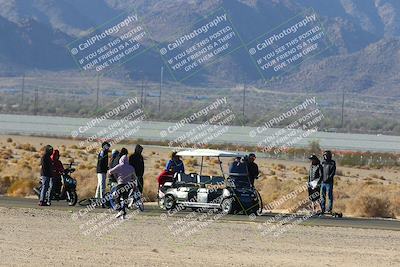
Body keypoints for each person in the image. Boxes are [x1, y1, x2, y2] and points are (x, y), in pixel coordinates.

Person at [108, 149, 137, 219]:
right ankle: (123, 215)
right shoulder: (131, 167)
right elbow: (134, 177)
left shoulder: (119, 166)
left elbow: (110, 171)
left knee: (116, 198)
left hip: (120, 184)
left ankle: (119, 210)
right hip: (127, 185)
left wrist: (114, 173)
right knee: (125, 200)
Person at [96, 142, 110, 207]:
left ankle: (96, 200)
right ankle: (102, 202)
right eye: (107, 146)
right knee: (102, 186)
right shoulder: (102, 152)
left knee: (99, 186)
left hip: (102, 171)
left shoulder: (105, 152)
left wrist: (106, 167)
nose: (108, 148)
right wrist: (104, 168)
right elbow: (101, 162)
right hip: (101, 171)